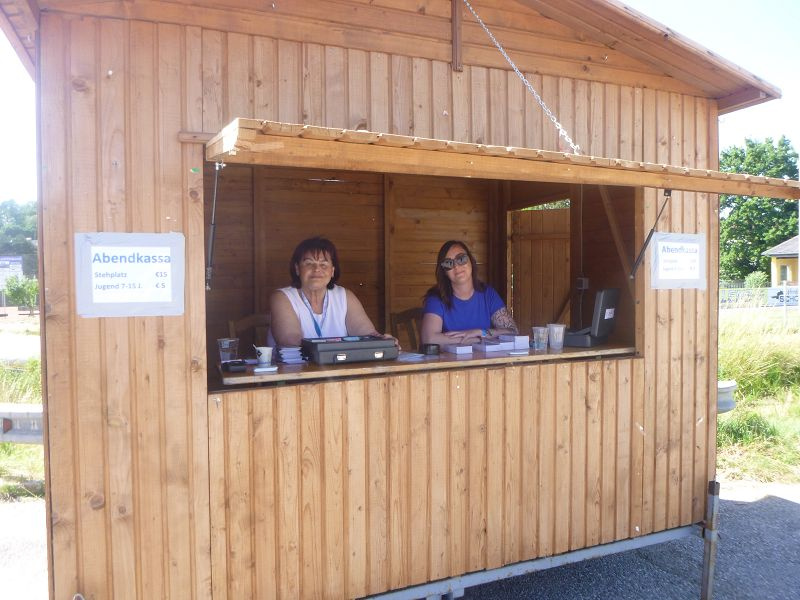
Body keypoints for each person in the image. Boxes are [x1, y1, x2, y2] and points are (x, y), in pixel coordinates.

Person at [269, 236, 394, 347]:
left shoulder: (345, 296)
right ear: (297, 269)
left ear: (332, 271)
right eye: (309, 263)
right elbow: (290, 340)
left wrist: (382, 340)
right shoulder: (282, 297)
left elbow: (367, 334)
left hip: (338, 365)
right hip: (297, 366)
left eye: (323, 264)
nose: (317, 269)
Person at [420, 240, 518, 346]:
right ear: (444, 272)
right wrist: (474, 338)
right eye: (448, 263)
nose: (456, 266)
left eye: (461, 259)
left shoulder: (488, 294)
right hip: (451, 357)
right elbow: (429, 339)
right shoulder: (436, 298)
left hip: (486, 357)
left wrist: (481, 332)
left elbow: (513, 332)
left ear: (471, 260)